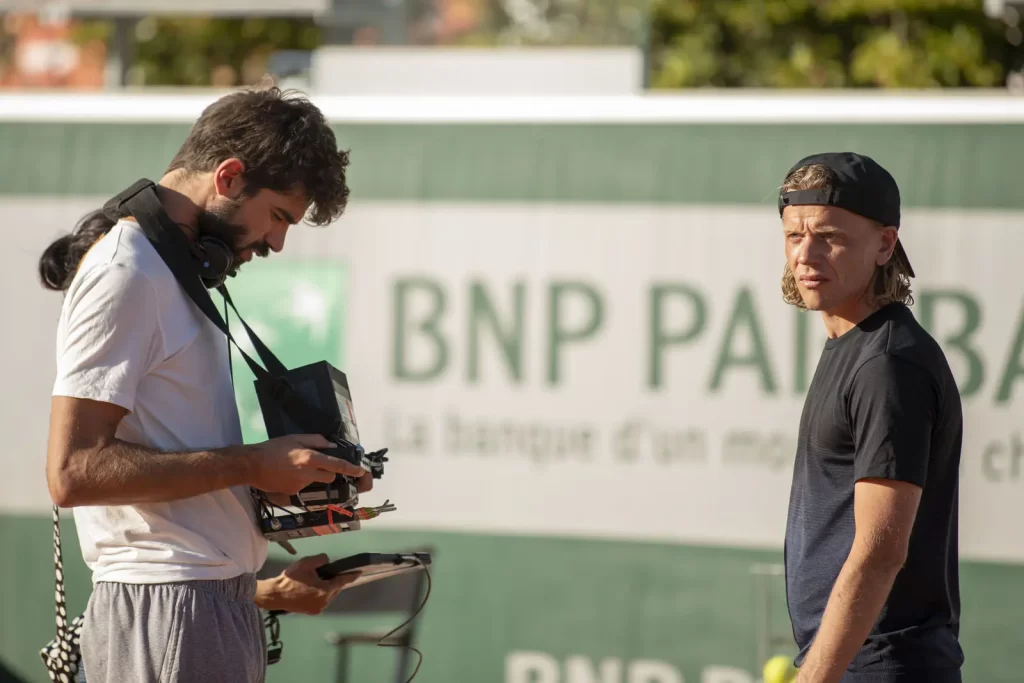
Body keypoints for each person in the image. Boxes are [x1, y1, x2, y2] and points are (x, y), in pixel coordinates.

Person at [39, 86, 371, 683]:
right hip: (173, 609)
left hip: (207, 604)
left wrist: (271, 516)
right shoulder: (128, 270)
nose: (277, 242)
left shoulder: (167, 269)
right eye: (278, 217)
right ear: (230, 175)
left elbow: (170, 472)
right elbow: (73, 472)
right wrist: (250, 465)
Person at [776, 152, 964, 683]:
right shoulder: (852, 346)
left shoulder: (887, 365)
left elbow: (880, 552)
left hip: (879, 667)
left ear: (885, 244)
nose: (807, 254)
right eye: (794, 236)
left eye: (829, 237)